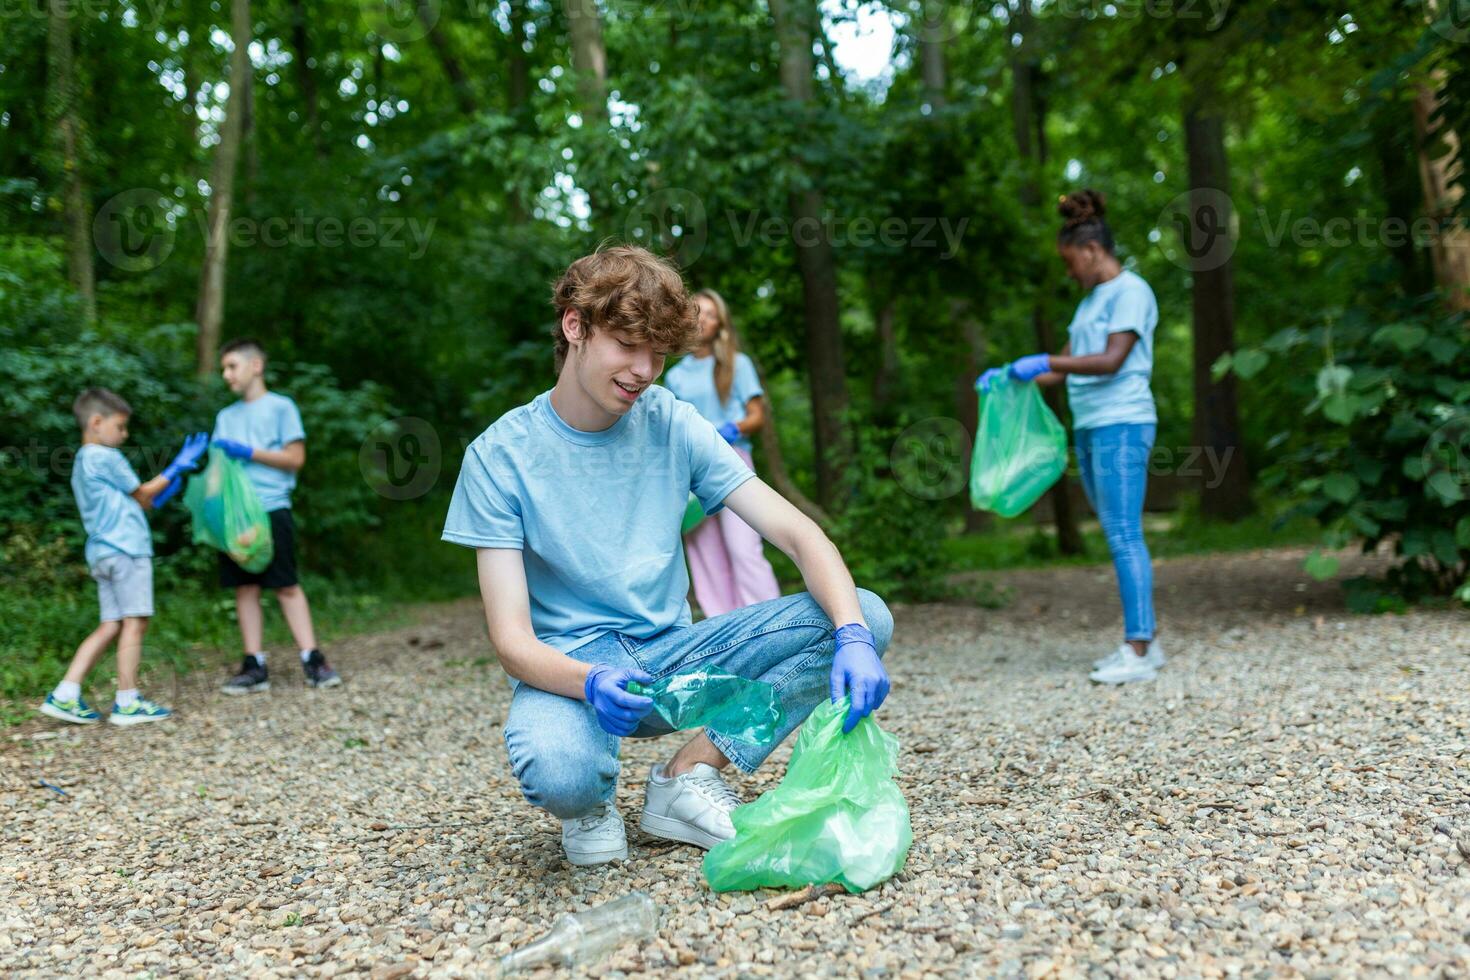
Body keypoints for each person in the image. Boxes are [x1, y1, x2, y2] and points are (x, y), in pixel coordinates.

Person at [442, 245, 894, 867]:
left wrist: (851, 635)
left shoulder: (673, 422)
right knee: (561, 774)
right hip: (576, 675)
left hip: (676, 659)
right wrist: (589, 679)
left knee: (864, 613)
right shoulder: (499, 456)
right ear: (575, 326)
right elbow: (511, 640)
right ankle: (592, 805)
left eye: (658, 353)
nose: (645, 369)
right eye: (629, 345)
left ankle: (686, 776)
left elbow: (796, 533)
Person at [978, 189, 1163, 685]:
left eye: (1069, 262)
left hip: (1122, 421)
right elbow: (1062, 368)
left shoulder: (1132, 291)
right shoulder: (1091, 304)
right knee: (1116, 532)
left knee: (1125, 534)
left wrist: (1043, 361)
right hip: (1092, 424)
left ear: (1090, 250)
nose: (1069, 272)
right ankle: (1143, 640)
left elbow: (1109, 361)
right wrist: (1009, 378)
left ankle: (1139, 649)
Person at [39, 388, 208, 726]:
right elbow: (143, 492)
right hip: (127, 550)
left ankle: (65, 693)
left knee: (111, 624)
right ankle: (128, 702)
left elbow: (140, 501)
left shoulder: (82, 461)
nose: (125, 434)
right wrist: (176, 466)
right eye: (120, 426)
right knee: (136, 621)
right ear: (97, 422)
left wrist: (165, 487)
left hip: (102, 552)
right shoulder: (106, 456)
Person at [211, 339, 342, 694]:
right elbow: (219, 472)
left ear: (256, 366)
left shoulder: (282, 408)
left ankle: (312, 658)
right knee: (245, 587)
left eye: (232, 366)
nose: (226, 375)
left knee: (285, 584)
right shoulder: (225, 417)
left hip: (271, 506)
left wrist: (249, 452)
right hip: (236, 516)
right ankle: (254, 665)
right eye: (224, 368)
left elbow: (295, 458)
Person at [662, 289, 781, 617]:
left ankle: (767, 621)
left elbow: (757, 415)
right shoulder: (675, 375)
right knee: (706, 554)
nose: (703, 319)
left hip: (733, 462)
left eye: (712, 314)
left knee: (743, 548)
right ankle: (724, 625)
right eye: (698, 311)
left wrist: (730, 429)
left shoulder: (737, 364)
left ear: (720, 324)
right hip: (694, 471)